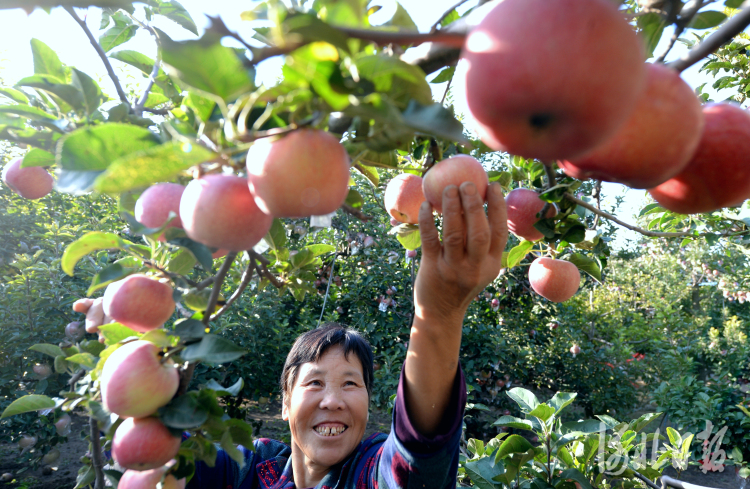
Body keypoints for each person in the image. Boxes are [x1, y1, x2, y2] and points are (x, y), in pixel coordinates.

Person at [79, 181, 508, 489]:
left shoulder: (369, 472)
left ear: (370, 401)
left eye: (350, 383)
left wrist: (439, 314)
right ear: (284, 403)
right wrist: (127, 340)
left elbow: (419, 453)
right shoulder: (250, 468)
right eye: (315, 382)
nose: (333, 399)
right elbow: (161, 448)